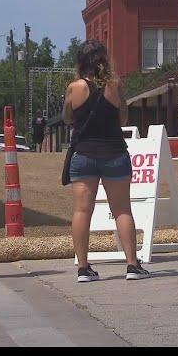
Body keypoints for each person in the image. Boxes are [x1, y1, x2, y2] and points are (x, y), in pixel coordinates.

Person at [63, 39, 151, 282]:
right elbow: (122, 118)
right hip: (114, 153)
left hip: (84, 155)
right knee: (122, 209)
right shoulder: (115, 86)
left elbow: (68, 117)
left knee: (82, 210)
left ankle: (83, 268)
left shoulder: (74, 88)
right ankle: (132, 265)